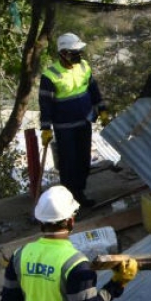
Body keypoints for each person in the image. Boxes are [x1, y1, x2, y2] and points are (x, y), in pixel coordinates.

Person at [0, 186, 138, 301]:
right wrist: (116, 284)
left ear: (40, 222)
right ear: (71, 221)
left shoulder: (19, 256)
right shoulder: (76, 264)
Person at [39, 33, 105, 207]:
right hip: (64, 127)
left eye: (78, 51)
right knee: (68, 164)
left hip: (84, 122)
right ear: (63, 53)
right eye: (74, 52)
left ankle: (80, 194)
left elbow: (93, 89)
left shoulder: (84, 67)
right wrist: (46, 128)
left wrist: (102, 109)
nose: (78, 55)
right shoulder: (50, 75)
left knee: (84, 160)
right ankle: (69, 199)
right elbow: (45, 104)